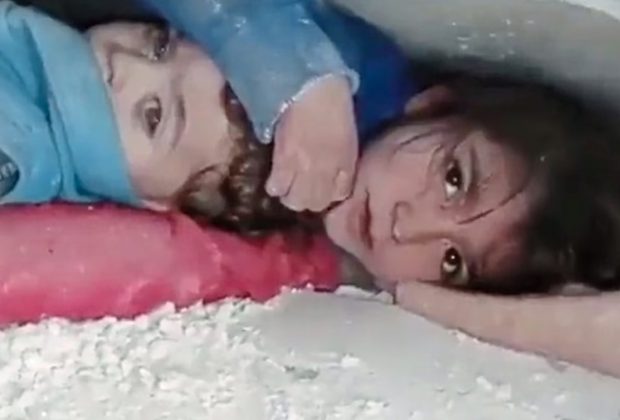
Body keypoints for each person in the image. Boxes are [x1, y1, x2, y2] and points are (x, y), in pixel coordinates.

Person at [0, 0, 416, 216]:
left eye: (153, 116)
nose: (125, 64)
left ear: (157, 203)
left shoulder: (23, 156)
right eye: (159, 45)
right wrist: (301, 74)